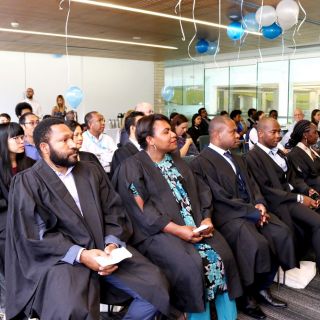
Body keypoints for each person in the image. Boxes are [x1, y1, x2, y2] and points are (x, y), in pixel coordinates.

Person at [5, 118, 174, 320]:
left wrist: (112, 244)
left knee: (156, 287)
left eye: (73, 138)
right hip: (62, 258)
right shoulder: (26, 183)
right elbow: (35, 234)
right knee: (71, 309)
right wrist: (82, 255)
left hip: (105, 249)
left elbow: (114, 211)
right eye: (65, 140)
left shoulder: (91, 171)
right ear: (44, 147)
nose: (74, 144)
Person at [113, 114, 242, 319]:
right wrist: (178, 230)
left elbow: (202, 191)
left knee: (223, 256)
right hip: (158, 232)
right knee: (192, 266)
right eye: (166, 132)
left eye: (172, 130)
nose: (174, 135)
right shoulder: (132, 167)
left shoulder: (177, 162)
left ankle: (228, 316)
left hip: (195, 225)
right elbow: (142, 210)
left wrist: (206, 218)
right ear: (150, 140)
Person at [191, 116, 295, 320]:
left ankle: (262, 287)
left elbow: (254, 186)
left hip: (251, 210)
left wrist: (260, 205)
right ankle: (246, 295)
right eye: (232, 131)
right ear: (216, 134)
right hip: (227, 215)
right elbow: (218, 197)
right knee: (255, 243)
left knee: (281, 232)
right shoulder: (201, 163)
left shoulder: (238, 157)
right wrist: (252, 212)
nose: (238, 134)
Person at [246, 117, 320, 268]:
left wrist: (307, 190)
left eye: (279, 131)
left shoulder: (279, 152)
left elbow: (293, 178)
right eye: (273, 132)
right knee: (318, 222)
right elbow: (267, 190)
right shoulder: (252, 158)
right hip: (279, 203)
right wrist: (300, 198)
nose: (278, 135)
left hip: (290, 197)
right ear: (260, 133)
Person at [0, 123, 35, 317]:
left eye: (22, 137)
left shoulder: (29, 163)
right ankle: (12, 305)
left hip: (29, 218)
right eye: (16, 138)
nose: (22, 141)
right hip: (5, 223)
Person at [286, 120, 320, 192]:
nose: (317, 135)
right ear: (305, 135)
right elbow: (300, 181)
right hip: (312, 193)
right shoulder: (295, 155)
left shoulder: (311, 149)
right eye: (315, 132)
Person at [111, 111, 144, 177]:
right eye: (142, 124)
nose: (147, 127)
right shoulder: (120, 153)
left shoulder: (150, 148)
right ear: (132, 128)